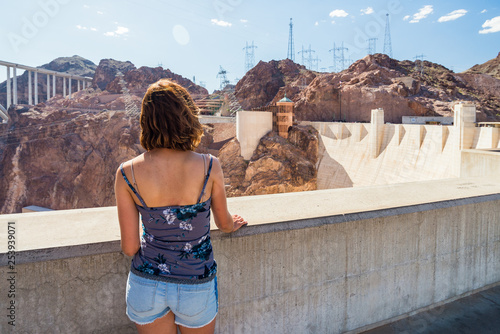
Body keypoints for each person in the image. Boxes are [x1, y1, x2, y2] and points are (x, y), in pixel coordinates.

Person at [115, 79, 247, 334]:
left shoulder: (126, 173)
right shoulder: (210, 166)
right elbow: (223, 223)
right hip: (195, 285)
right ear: (186, 117)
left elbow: (130, 247)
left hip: (146, 285)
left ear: (145, 121)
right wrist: (233, 224)